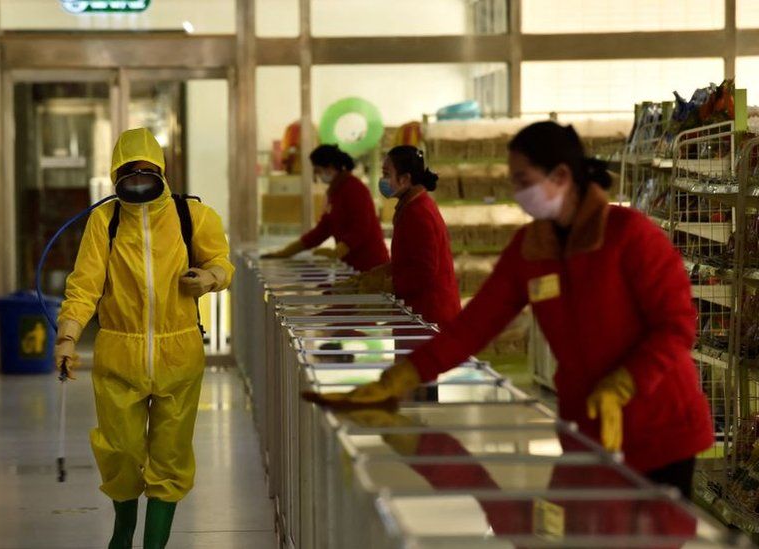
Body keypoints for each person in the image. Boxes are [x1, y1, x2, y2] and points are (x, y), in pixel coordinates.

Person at [305, 121, 713, 498]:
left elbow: (676, 327)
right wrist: (399, 377)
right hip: (585, 429)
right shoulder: (531, 250)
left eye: (523, 180)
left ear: (561, 177)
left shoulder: (632, 236)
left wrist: (623, 383)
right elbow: (472, 327)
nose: (516, 192)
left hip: (660, 430)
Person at [55, 128, 234, 549]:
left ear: (162, 171)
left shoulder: (193, 216)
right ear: (116, 174)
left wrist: (209, 278)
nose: (139, 179)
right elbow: (85, 286)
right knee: (119, 451)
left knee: (170, 457)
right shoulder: (106, 220)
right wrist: (67, 336)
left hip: (180, 353)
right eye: (129, 172)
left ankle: (153, 545)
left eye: (147, 171)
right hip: (119, 352)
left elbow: (222, 262)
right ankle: (122, 531)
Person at [352, 145, 461, 329]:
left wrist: (389, 286)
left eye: (387, 174)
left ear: (405, 179)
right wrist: (380, 274)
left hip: (430, 317)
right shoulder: (411, 206)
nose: (383, 180)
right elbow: (410, 260)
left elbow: (423, 271)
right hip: (418, 313)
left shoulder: (419, 212)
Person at [262, 144, 389, 272]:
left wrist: (339, 250)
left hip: (370, 263)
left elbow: (361, 226)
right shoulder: (335, 191)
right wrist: (286, 252)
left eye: (317, 170)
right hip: (350, 263)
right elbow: (323, 229)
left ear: (330, 167)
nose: (317, 175)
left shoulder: (354, 188)